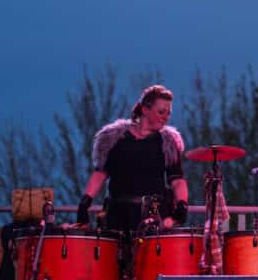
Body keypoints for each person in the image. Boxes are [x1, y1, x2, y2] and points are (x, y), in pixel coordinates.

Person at [77, 85, 188, 232]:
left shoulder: (168, 142)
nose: (165, 117)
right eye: (161, 112)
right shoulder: (114, 138)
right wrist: (85, 202)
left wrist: (182, 205)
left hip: (153, 216)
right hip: (117, 216)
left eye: (168, 113)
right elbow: (101, 173)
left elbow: (178, 180)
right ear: (145, 110)